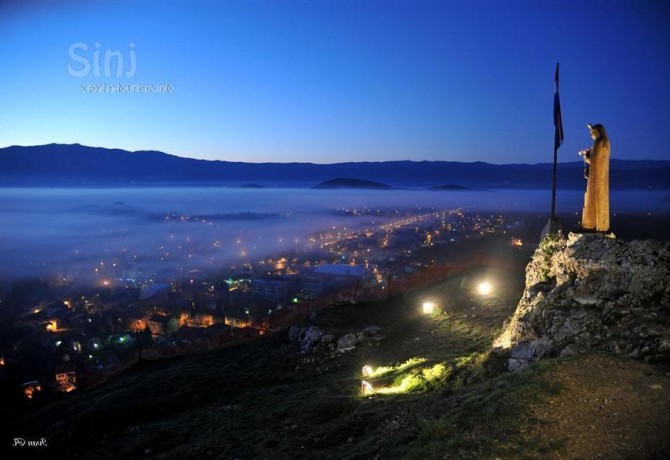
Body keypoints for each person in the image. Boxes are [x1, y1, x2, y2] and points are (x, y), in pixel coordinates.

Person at [580, 123, 610, 232]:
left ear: (597, 132)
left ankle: (592, 225)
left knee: (592, 201)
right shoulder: (606, 144)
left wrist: (586, 156)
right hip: (601, 177)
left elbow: (594, 162)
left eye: (591, 132)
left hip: (596, 179)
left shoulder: (599, 143)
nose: (590, 135)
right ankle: (600, 225)